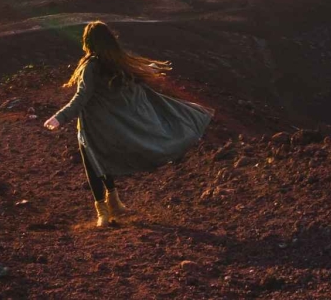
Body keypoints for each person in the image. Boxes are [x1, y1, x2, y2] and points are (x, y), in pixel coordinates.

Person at [44, 20, 212, 228]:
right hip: (110, 126)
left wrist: (59, 118)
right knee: (102, 160)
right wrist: (148, 69)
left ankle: (102, 212)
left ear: (88, 41)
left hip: (93, 127)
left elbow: (81, 97)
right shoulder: (117, 61)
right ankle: (114, 203)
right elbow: (133, 76)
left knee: (93, 164)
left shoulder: (91, 66)